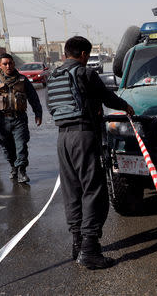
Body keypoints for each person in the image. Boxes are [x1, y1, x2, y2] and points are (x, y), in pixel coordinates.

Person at [47, 36, 134, 270]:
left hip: (62, 137)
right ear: (84, 54)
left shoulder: (54, 76)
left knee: (72, 190)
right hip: (82, 136)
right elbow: (107, 97)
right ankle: (90, 250)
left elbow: (51, 107)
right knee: (93, 190)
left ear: (65, 53)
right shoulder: (85, 73)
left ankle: (77, 245)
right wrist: (126, 107)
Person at [0, 53, 42, 183]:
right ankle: (13, 166)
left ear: (14, 64)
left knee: (21, 145)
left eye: (10, 63)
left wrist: (38, 113)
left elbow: (33, 97)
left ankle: (22, 171)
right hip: (2, 120)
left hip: (19, 119)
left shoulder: (22, 80)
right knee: (7, 146)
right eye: (5, 64)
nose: (8, 66)